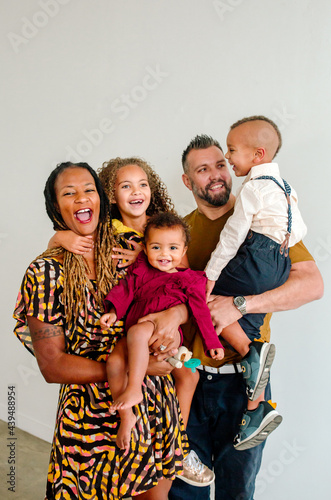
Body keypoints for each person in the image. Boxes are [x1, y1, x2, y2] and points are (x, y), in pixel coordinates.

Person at [13, 162, 189, 500]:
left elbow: (180, 284)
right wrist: (134, 370)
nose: (81, 198)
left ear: (101, 198)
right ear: (55, 207)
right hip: (89, 420)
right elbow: (52, 366)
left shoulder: (131, 249)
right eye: (69, 193)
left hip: (153, 407)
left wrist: (177, 315)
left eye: (88, 189)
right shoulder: (45, 272)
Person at [169, 135, 324, 500]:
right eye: (202, 170)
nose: (216, 175)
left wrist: (239, 304)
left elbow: (312, 285)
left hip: (243, 385)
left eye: (221, 164)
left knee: (237, 493)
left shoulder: (263, 220)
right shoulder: (176, 232)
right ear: (187, 181)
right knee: (182, 492)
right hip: (188, 375)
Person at [47, 157, 215, 489]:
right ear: (110, 195)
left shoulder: (165, 227)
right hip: (130, 328)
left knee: (190, 372)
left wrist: (174, 313)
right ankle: (151, 427)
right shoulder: (104, 232)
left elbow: (186, 281)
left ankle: (178, 447)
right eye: (126, 186)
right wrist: (59, 239)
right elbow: (64, 247)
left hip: (164, 329)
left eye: (142, 185)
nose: (136, 192)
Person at [203, 116, 307, 449]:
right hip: (280, 259)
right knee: (247, 323)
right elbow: (299, 230)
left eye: (231, 151)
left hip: (257, 255)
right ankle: (256, 410)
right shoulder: (286, 188)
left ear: (258, 154)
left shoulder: (254, 188)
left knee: (206, 302)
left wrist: (210, 276)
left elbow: (232, 237)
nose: (230, 158)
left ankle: (251, 353)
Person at [100, 212, 224, 455]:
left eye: (173, 248)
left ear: (183, 250)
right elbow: (126, 289)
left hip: (164, 336)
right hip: (139, 338)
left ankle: (178, 435)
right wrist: (113, 312)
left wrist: (213, 343)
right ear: (145, 249)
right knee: (114, 361)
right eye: (156, 247)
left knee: (182, 370)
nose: (164, 254)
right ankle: (127, 416)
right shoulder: (141, 269)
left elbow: (201, 312)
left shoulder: (190, 279)